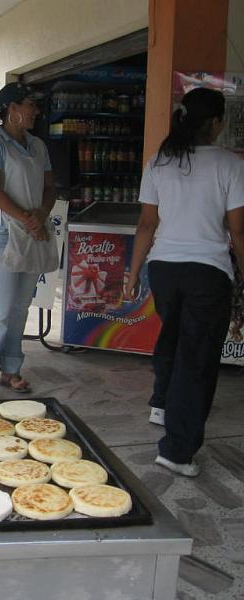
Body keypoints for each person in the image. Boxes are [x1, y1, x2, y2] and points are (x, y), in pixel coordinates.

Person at [125, 87, 244, 477]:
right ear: (216, 123)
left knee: (173, 337)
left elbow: (146, 224)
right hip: (207, 273)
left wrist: (132, 273)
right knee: (197, 359)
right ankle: (176, 451)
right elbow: (238, 233)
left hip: (164, 270)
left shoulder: (160, 161)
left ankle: (162, 404)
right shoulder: (230, 164)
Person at [0, 82, 55, 398]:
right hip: (5, 233)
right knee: (1, 307)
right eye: (31, 104)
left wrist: (41, 215)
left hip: (33, 232)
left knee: (20, 307)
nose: (35, 111)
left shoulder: (38, 146)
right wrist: (28, 218)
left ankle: (11, 369)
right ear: (13, 110)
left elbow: (49, 188)